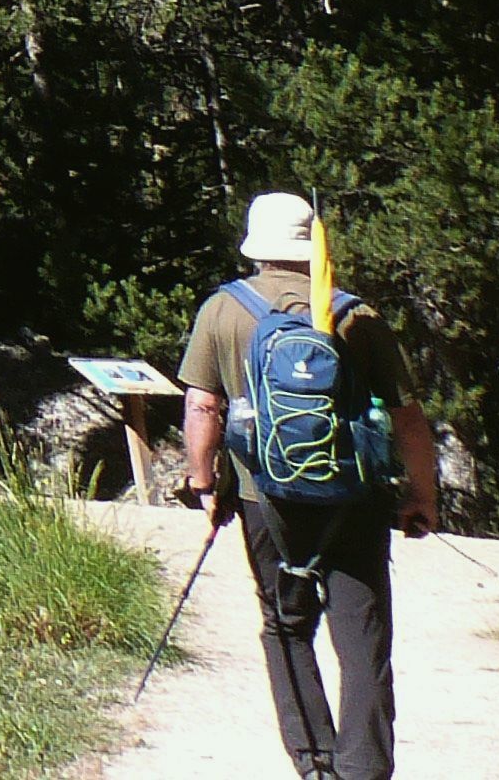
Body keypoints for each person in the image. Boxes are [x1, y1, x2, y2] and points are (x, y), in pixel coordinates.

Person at [177, 190, 442, 780]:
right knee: (363, 640)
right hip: (355, 501)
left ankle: (314, 761)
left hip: (263, 498)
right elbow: (409, 419)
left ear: (257, 247)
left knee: (285, 625)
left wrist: (204, 484)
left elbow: (202, 407)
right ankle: (365, 769)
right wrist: (420, 497)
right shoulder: (356, 316)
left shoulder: (223, 311)